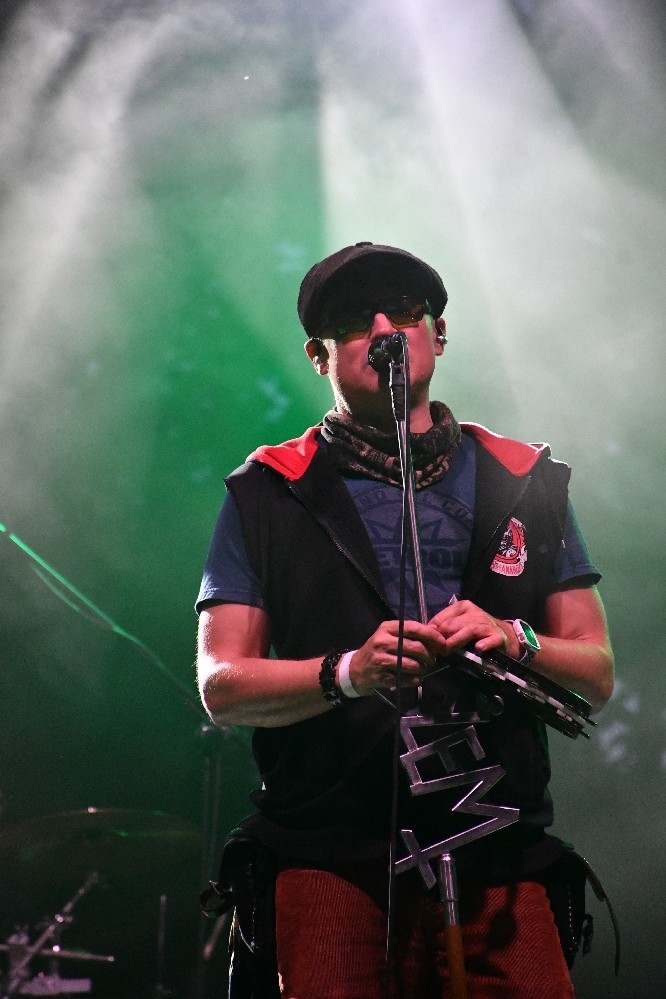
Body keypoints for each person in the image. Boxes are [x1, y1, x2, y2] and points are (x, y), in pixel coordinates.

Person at [195, 242, 615, 998]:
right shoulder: (269, 491)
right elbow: (221, 685)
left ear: (439, 334)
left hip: (497, 848)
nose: (385, 329)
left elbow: (597, 671)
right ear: (319, 355)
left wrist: (514, 638)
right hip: (328, 854)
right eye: (356, 320)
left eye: (404, 310)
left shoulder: (524, 479)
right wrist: (348, 673)